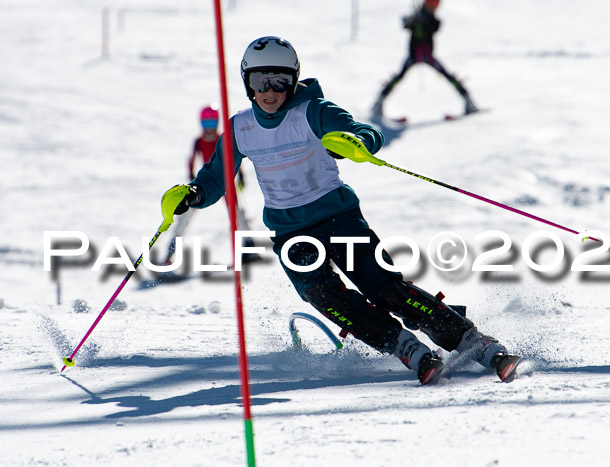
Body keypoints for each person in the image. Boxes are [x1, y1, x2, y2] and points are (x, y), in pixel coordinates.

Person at [162, 36, 519, 384]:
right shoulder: (241, 127)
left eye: (280, 80)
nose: (270, 90)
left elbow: (362, 132)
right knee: (325, 296)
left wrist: (357, 143)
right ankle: (406, 348)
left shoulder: (313, 111)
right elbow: (214, 180)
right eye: (259, 80)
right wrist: (193, 194)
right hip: (290, 233)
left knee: (384, 289)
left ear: (294, 79)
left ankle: (476, 344)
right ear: (246, 82)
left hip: (339, 217)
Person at [161, 105, 254, 266]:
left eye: (212, 123)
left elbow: (234, 158)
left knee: (237, 213)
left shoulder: (222, 139)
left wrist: (241, 176)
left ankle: (248, 245)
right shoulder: (199, 142)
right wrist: (191, 177)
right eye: (205, 124)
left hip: (225, 182)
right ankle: (172, 248)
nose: (209, 129)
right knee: (186, 214)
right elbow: (191, 160)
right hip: (204, 185)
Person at [372, 0, 478, 117]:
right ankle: (379, 102)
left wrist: (423, 20)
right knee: (398, 78)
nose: (433, 8)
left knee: (448, 75)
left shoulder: (433, 20)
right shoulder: (417, 17)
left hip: (428, 57)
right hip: (414, 56)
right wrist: (414, 19)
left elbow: (434, 27)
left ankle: (468, 101)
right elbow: (406, 24)